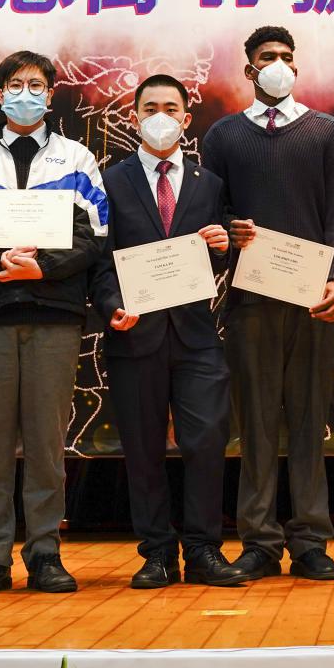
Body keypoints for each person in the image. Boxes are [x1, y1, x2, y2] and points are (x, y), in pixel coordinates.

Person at [0, 50, 108, 596]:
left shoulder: (77, 159)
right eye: (14, 85)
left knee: (46, 443)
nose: (25, 93)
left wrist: (45, 267)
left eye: (35, 85)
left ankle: (45, 553)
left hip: (55, 315)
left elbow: (94, 236)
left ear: (51, 93)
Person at [201, 26, 334, 582]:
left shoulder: (327, 131)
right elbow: (209, 213)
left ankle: (311, 539)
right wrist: (228, 230)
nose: (278, 65)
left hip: (314, 301)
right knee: (258, 427)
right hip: (251, 302)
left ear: (297, 67)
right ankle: (260, 542)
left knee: (311, 423)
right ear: (249, 70)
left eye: (287, 57)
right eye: (267, 57)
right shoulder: (222, 136)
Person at [91, 74, 243, 589]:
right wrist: (112, 305)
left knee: (206, 443)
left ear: (186, 118)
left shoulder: (209, 183)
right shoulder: (109, 181)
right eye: (150, 107)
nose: (161, 116)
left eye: (171, 108)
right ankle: (157, 553)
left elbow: (215, 259)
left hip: (196, 336)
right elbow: (99, 260)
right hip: (134, 335)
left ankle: (203, 550)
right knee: (143, 450)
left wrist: (222, 247)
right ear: (135, 117)